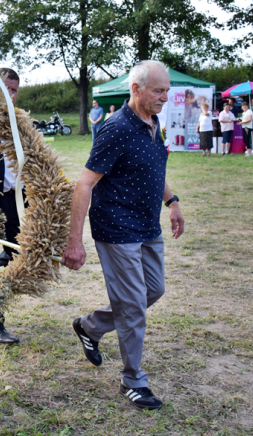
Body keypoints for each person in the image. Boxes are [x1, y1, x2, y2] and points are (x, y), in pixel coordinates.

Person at [62, 60, 185, 411]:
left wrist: (172, 201)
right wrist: (75, 242)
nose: (165, 96)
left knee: (153, 290)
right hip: (117, 228)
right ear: (136, 89)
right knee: (132, 306)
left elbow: (152, 167)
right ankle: (134, 380)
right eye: (158, 90)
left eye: (166, 89)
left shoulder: (152, 122)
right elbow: (84, 183)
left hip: (148, 226)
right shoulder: (115, 129)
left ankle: (91, 326)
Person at [0, 67, 23, 345]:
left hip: (12, 199)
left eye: (14, 90)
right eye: (5, 89)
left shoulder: (18, 121)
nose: (10, 95)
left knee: (13, 255)